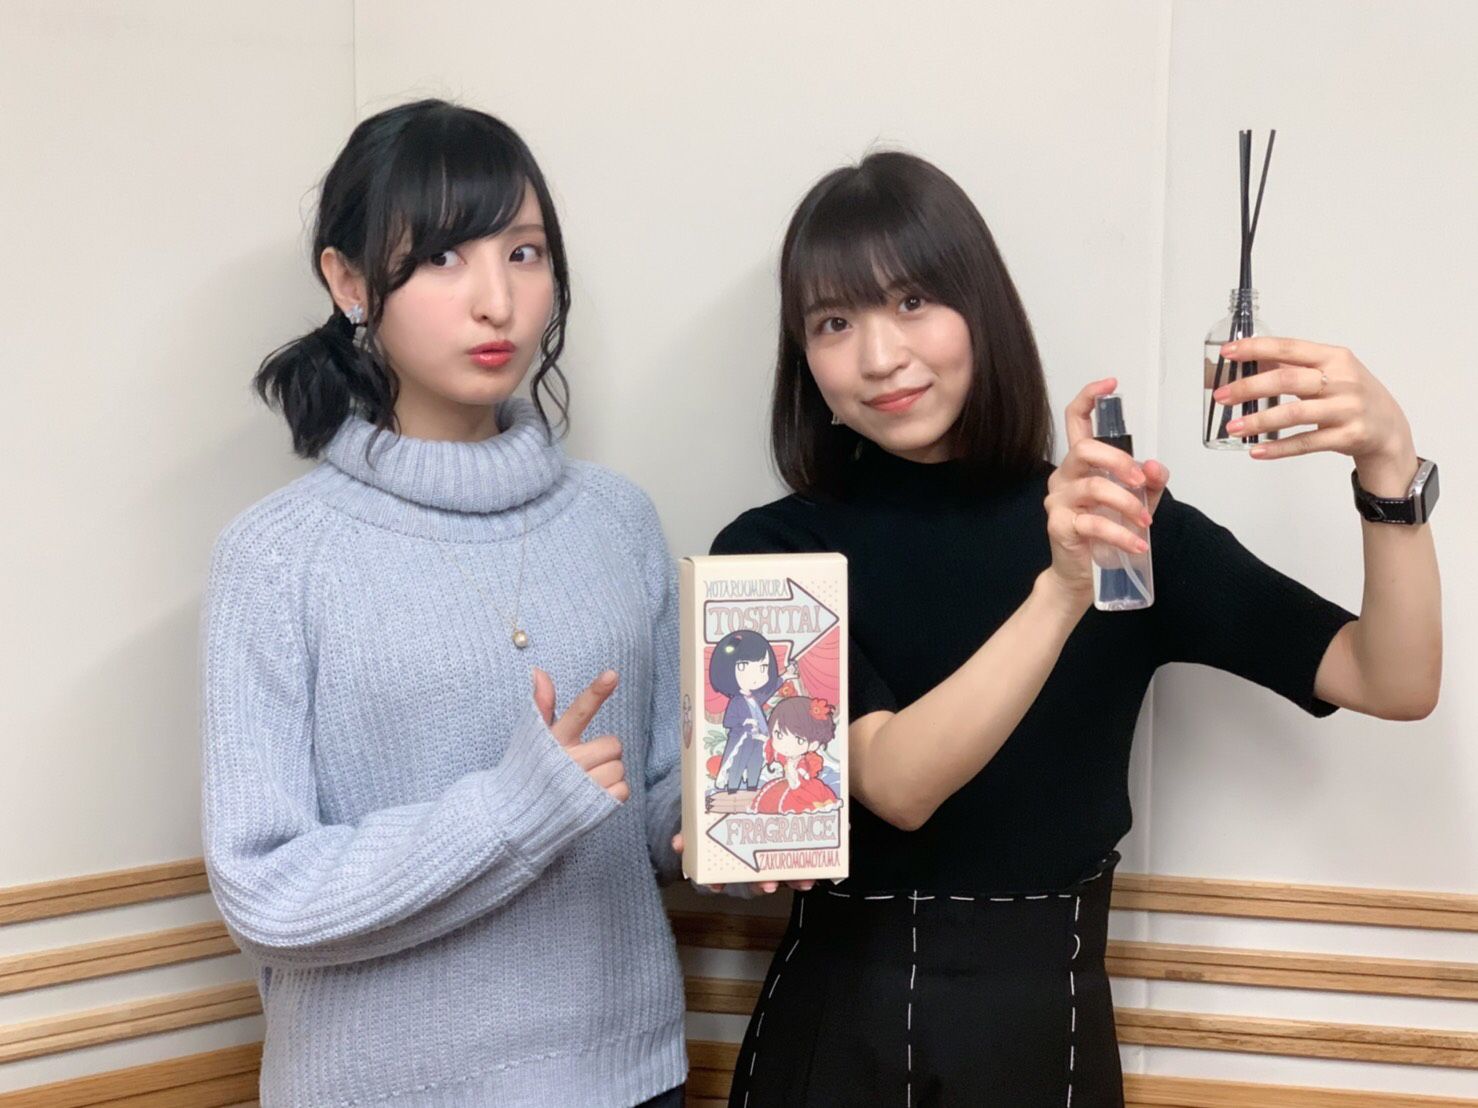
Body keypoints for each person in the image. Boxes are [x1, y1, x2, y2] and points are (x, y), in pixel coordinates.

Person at [704, 150, 1441, 1107]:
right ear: (802, 355)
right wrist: (1062, 589)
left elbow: (1392, 680)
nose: (880, 356)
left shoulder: (1121, 523)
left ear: (984, 310)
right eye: (833, 322)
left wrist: (1390, 467)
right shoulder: (770, 551)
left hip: (1043, 1026)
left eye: (913, 301)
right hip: (832, 1034)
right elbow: (896, 784)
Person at [200, 99, 687, 1107]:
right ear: (347, 282)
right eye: (441, 258)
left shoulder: (619, 521)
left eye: (523, 254)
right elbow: (265, 891)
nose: (496, 302)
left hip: (630, 1077)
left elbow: (649, 809)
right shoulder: (275, 558)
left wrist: (735, 823)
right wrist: (511, 812)